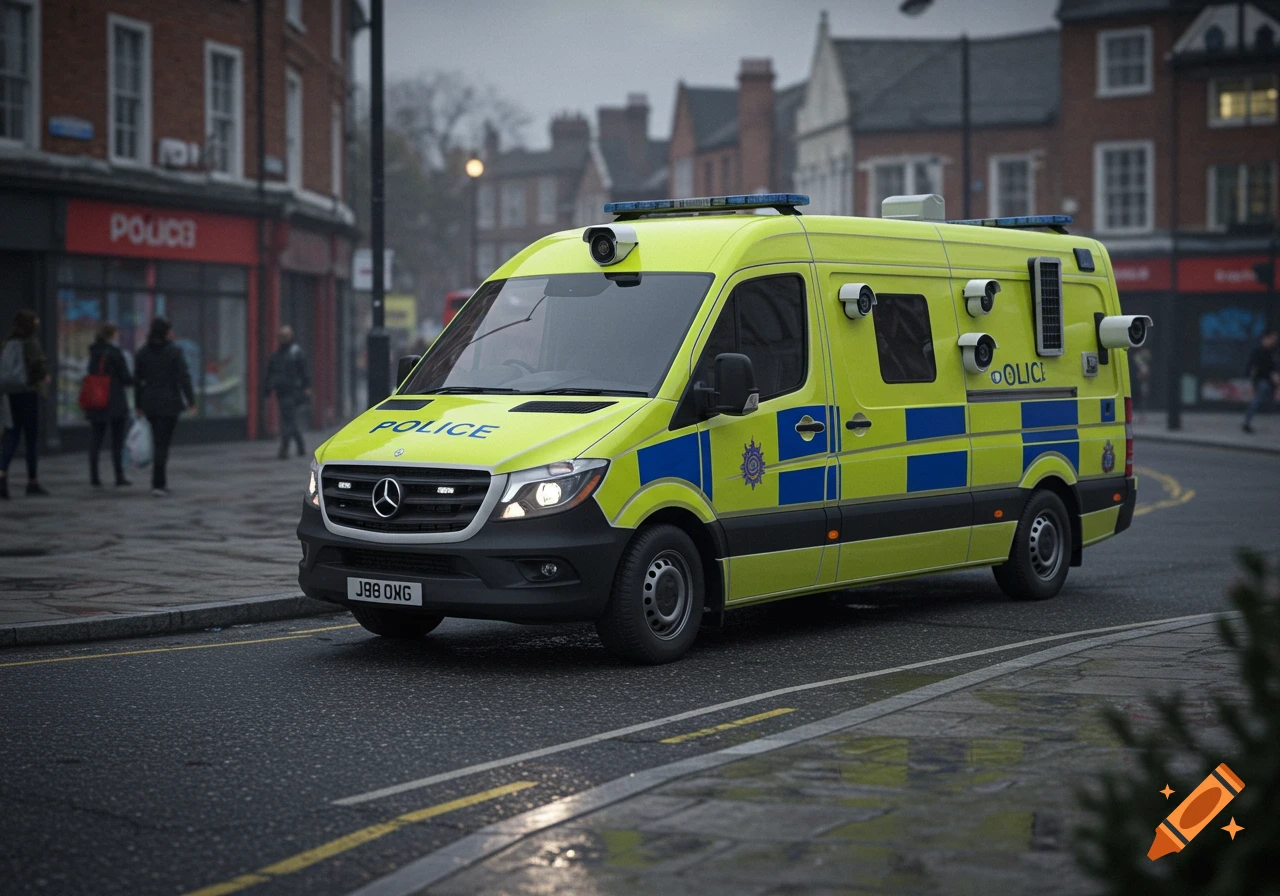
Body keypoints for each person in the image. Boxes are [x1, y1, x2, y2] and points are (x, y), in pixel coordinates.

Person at [134, 317, 194, 496]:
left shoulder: (142, 352)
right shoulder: (174, 351)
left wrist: (139, 404)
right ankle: (158, 484)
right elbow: (184, 377)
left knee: (157, 441)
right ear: (166, 332)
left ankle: (157, 482)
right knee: (163, 444)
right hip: (169, 402)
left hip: (150, 402)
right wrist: (190, 400)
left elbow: (138, 381)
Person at [0, 309, 51, 499]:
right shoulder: (31, 342)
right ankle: (32, 482)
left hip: (10, 394)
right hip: (28, 394)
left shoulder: (7, 342)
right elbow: (38, 366)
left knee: (11, 434)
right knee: (31, 439)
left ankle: (2, 477)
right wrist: (43, 376)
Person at [85, 322, 136, 488]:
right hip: (115, 401)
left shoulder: (94, 352)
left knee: (95, 440)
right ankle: (119, 476)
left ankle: (94, 477)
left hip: (96, 400)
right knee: (117, 441)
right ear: (112, 334)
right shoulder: (115, 353)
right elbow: (126, 377)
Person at [265, 326, 311, 459]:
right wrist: (268, 389)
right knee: (289, 419)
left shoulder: (296, 353)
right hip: (282, 391)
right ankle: (300, 445)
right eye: (281, 336)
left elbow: (304, 371)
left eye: (286, 336)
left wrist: (307, 387)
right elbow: (270, 373)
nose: (283, 339)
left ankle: (284, 448)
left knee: (287, 420)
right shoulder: (276, 355)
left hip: (293, 392)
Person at [1242, 329, 1279, 435]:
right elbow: (1255, 367)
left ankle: (1248, 423)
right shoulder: (1259, 352)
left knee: (1261, 401)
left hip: (1268, 382)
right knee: (1257, 401)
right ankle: (1246, 423)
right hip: (1262, 381)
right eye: (1272, 339)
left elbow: (1272, 367)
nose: (1274, 341)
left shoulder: (1272, 352)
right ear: (1266, 339)